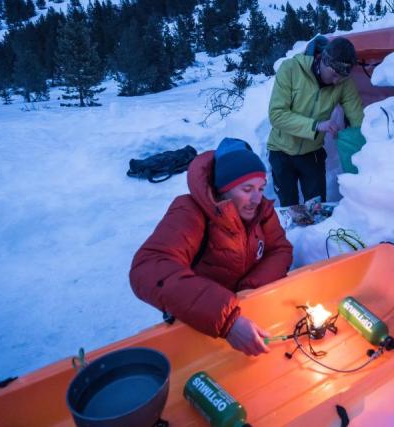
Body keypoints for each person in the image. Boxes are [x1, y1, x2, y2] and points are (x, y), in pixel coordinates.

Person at [130, 138, 293, 356]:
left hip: (246, 318)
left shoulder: (261, 211)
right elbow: (148, 268)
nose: (256, 198)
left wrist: (248, 290)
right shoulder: (190, 211)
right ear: (223, 189)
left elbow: (280, 249)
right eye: (247, 189)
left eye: (261, 188)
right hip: (200, 323)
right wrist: (226, 318)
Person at [267, 36, 365, 207]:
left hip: (312, 154)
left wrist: (366, 145)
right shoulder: (291, 69)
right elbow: (277, 115)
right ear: (323, 61)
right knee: (289, 207)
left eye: (341, 78)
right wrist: (316, 125)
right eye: (334, 75)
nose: (336, 82)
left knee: (318, 208)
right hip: (281, 151)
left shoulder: (343, 82)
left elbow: (357, 116)